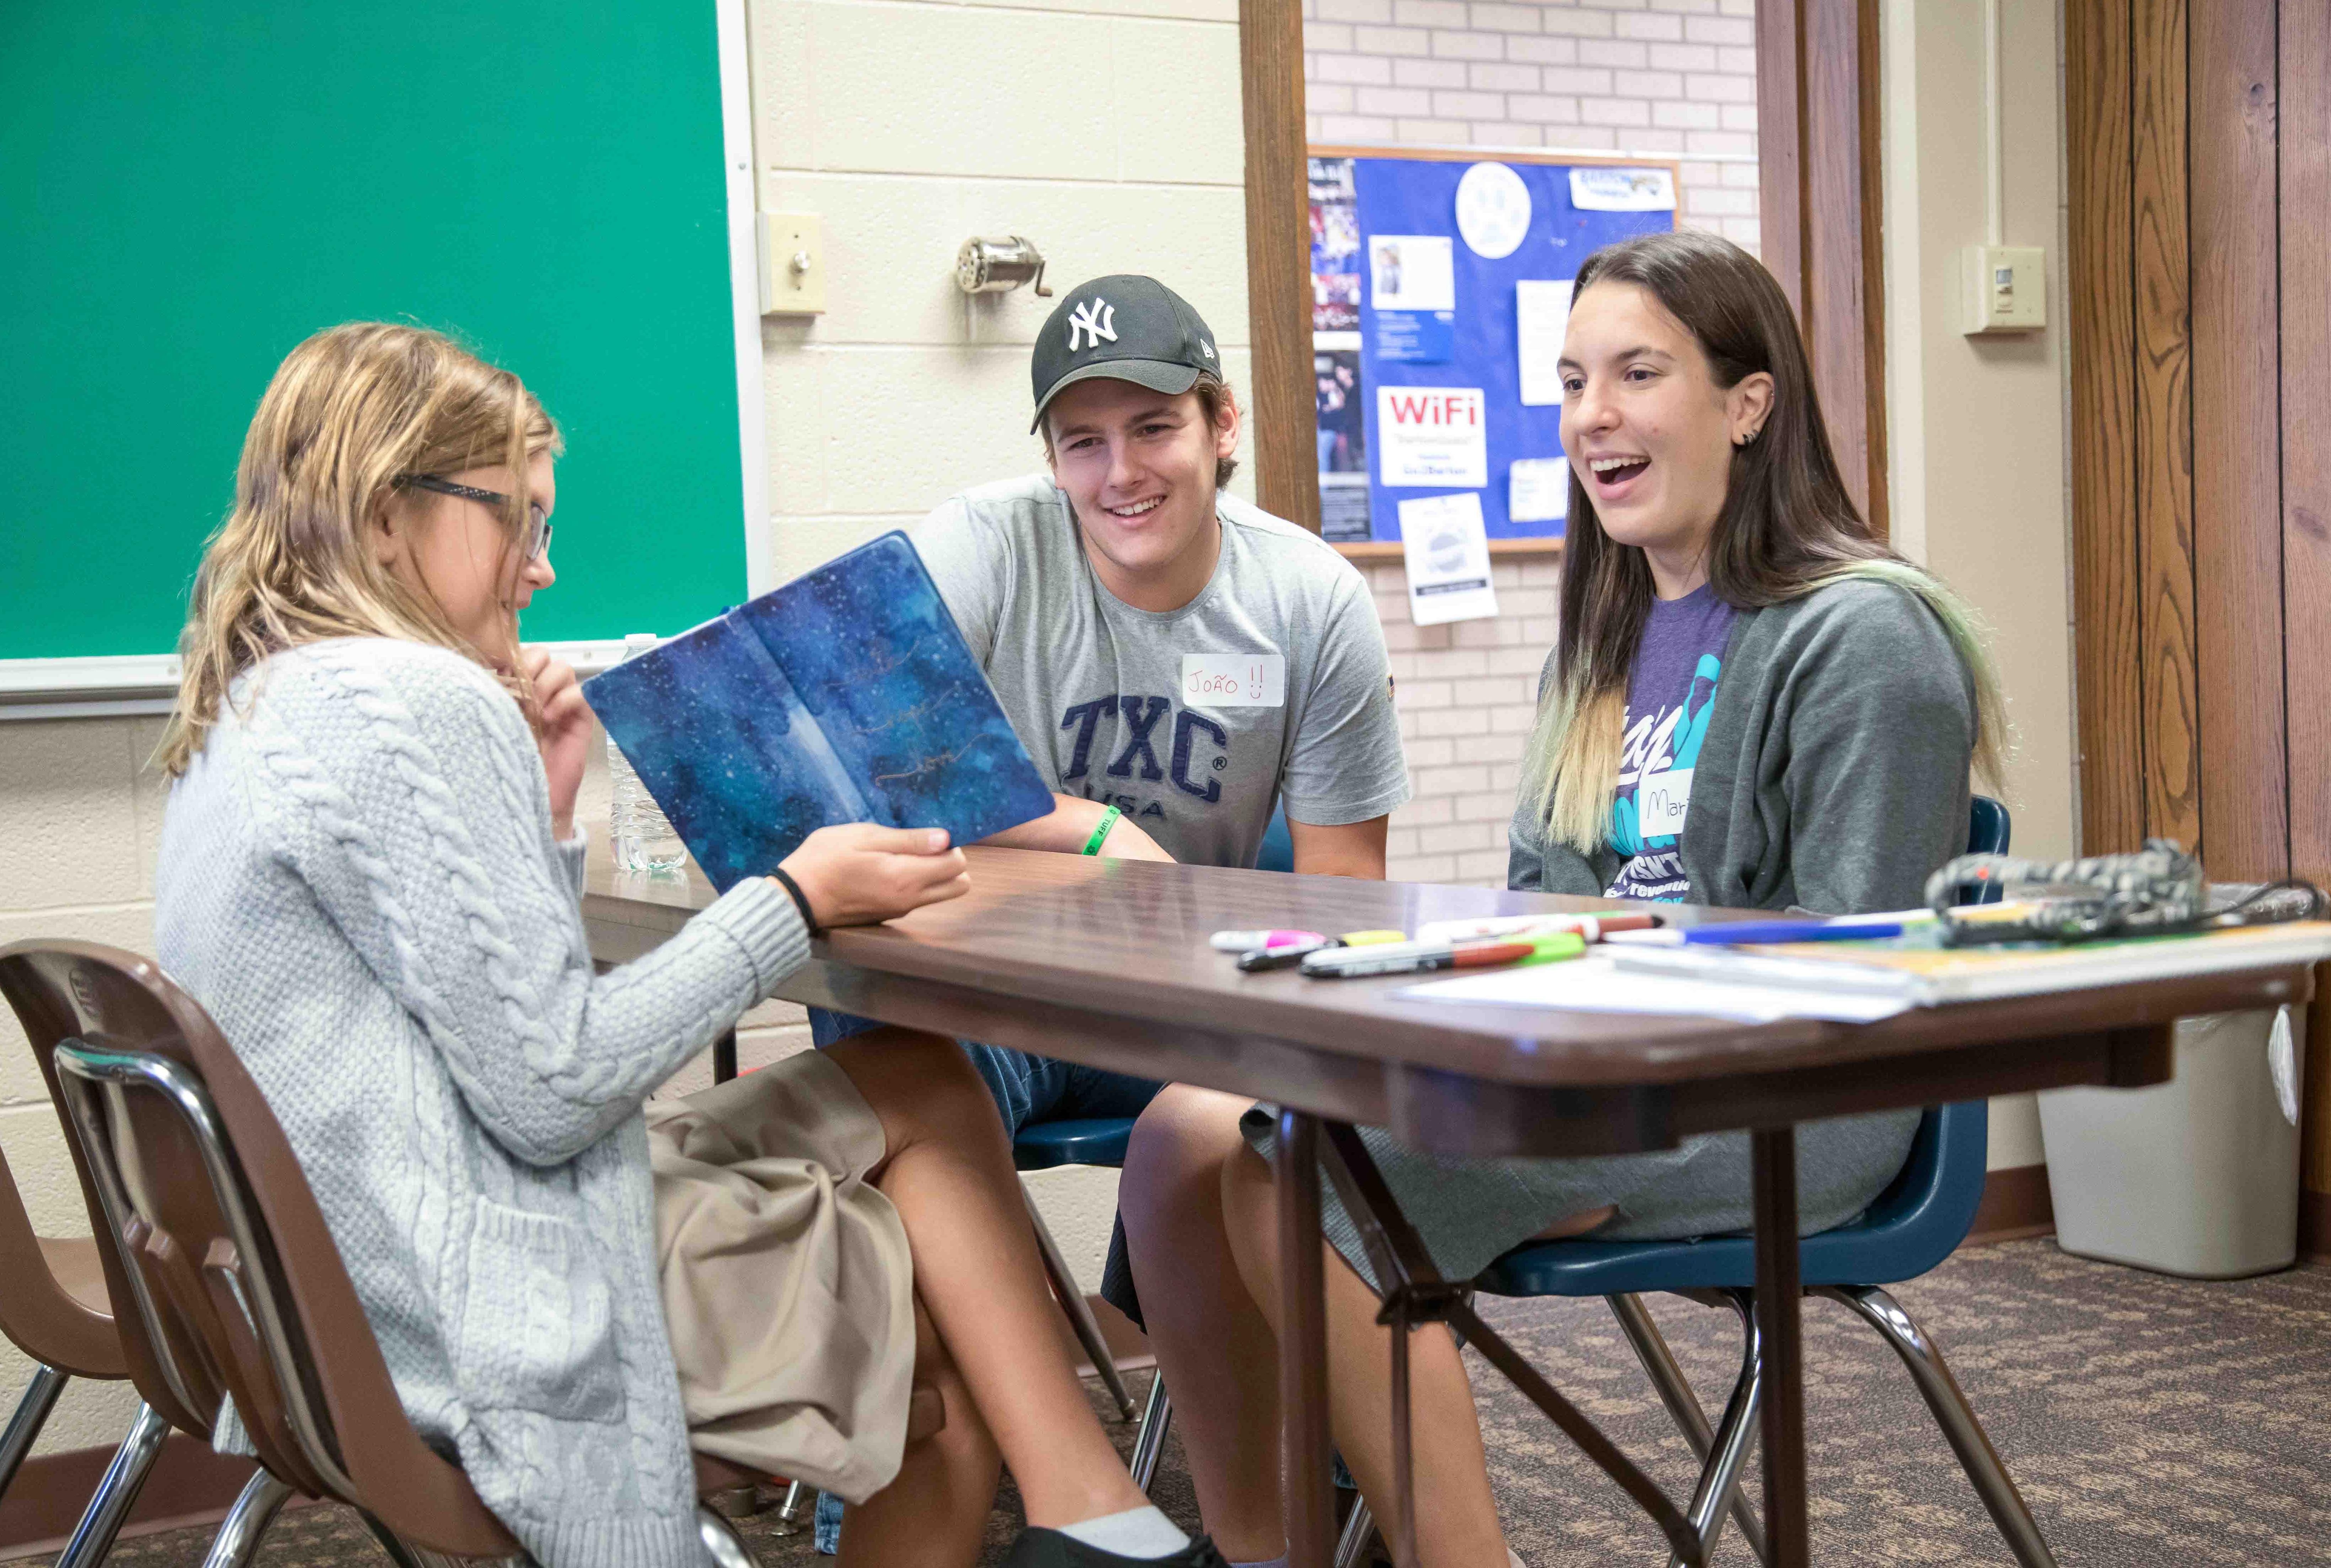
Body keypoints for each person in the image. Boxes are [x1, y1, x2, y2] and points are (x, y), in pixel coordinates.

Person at [151, 322, 1230, 1568]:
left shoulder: (258, 694)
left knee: (923, 1075)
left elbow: (491, 1016)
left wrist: (549, 818)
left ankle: (1095, 1521)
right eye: (519, 520)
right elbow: (553, 1087)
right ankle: (1100, 1523)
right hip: (467, 1288)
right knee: (925, 1354)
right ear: (392, 510)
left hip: (346, 1265)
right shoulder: (416, 703)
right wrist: (795, 900)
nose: (540, 571)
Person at [1117, 231, 2011, 1568]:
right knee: (1183, 1133)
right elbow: (1551, 909)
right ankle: (1258, 1550)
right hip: (1608, 1065)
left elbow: (1852, 967)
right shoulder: (1608, 641)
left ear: (1747, 404)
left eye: (1639, 373)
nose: (1593, 416)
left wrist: (1573, 996)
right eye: (1574, 380)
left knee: (1296, 1172)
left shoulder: (1866, 638)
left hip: (1784, 1095)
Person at [806, 272, 1410, 1553]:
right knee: (885, 1058)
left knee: (1280, 1107)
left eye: (1153, 429)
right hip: (998, 1002)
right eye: (1084, 441)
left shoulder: (1308, 599)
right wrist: (1083, 825)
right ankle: (1003, 1474)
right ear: (1050, 457)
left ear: (1222, 424)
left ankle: (1250, 1471)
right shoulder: (990, 540)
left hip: (1190, 1004)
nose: (1120, 470)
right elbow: (855, 724)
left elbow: (1347, 898)